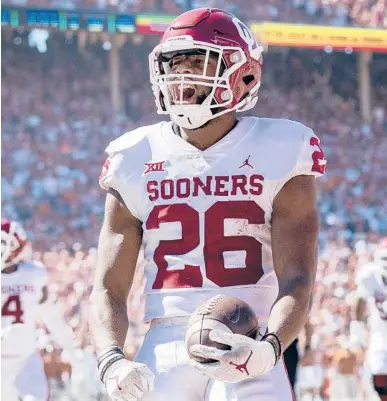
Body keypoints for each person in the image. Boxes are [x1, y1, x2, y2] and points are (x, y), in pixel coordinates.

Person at [89, 7, 326, 401]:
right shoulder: (133, 154)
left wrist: (268, 349)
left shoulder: (284, 149)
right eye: (173, 65)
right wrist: (111, 359)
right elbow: (108, 287)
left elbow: (298, 278)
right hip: (163, 341)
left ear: (242, 75)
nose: (181, 78)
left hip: (249, 333)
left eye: (198, 63)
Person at [1, 218, 79, 401]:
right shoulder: (34, 275)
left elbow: (51, 317)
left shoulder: (34, 275)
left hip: (25, 359)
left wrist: (71, 347)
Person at [351, 236, 387, 401]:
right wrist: (356, 329)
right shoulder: (370, 275)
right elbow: (360, 301)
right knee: (379, 374)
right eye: (386, 258)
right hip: (381, 334)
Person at [283, 317, 313, 392]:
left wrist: (307, 347)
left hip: (289, 350)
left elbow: (308, 326)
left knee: (289, 387)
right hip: (270, 347)